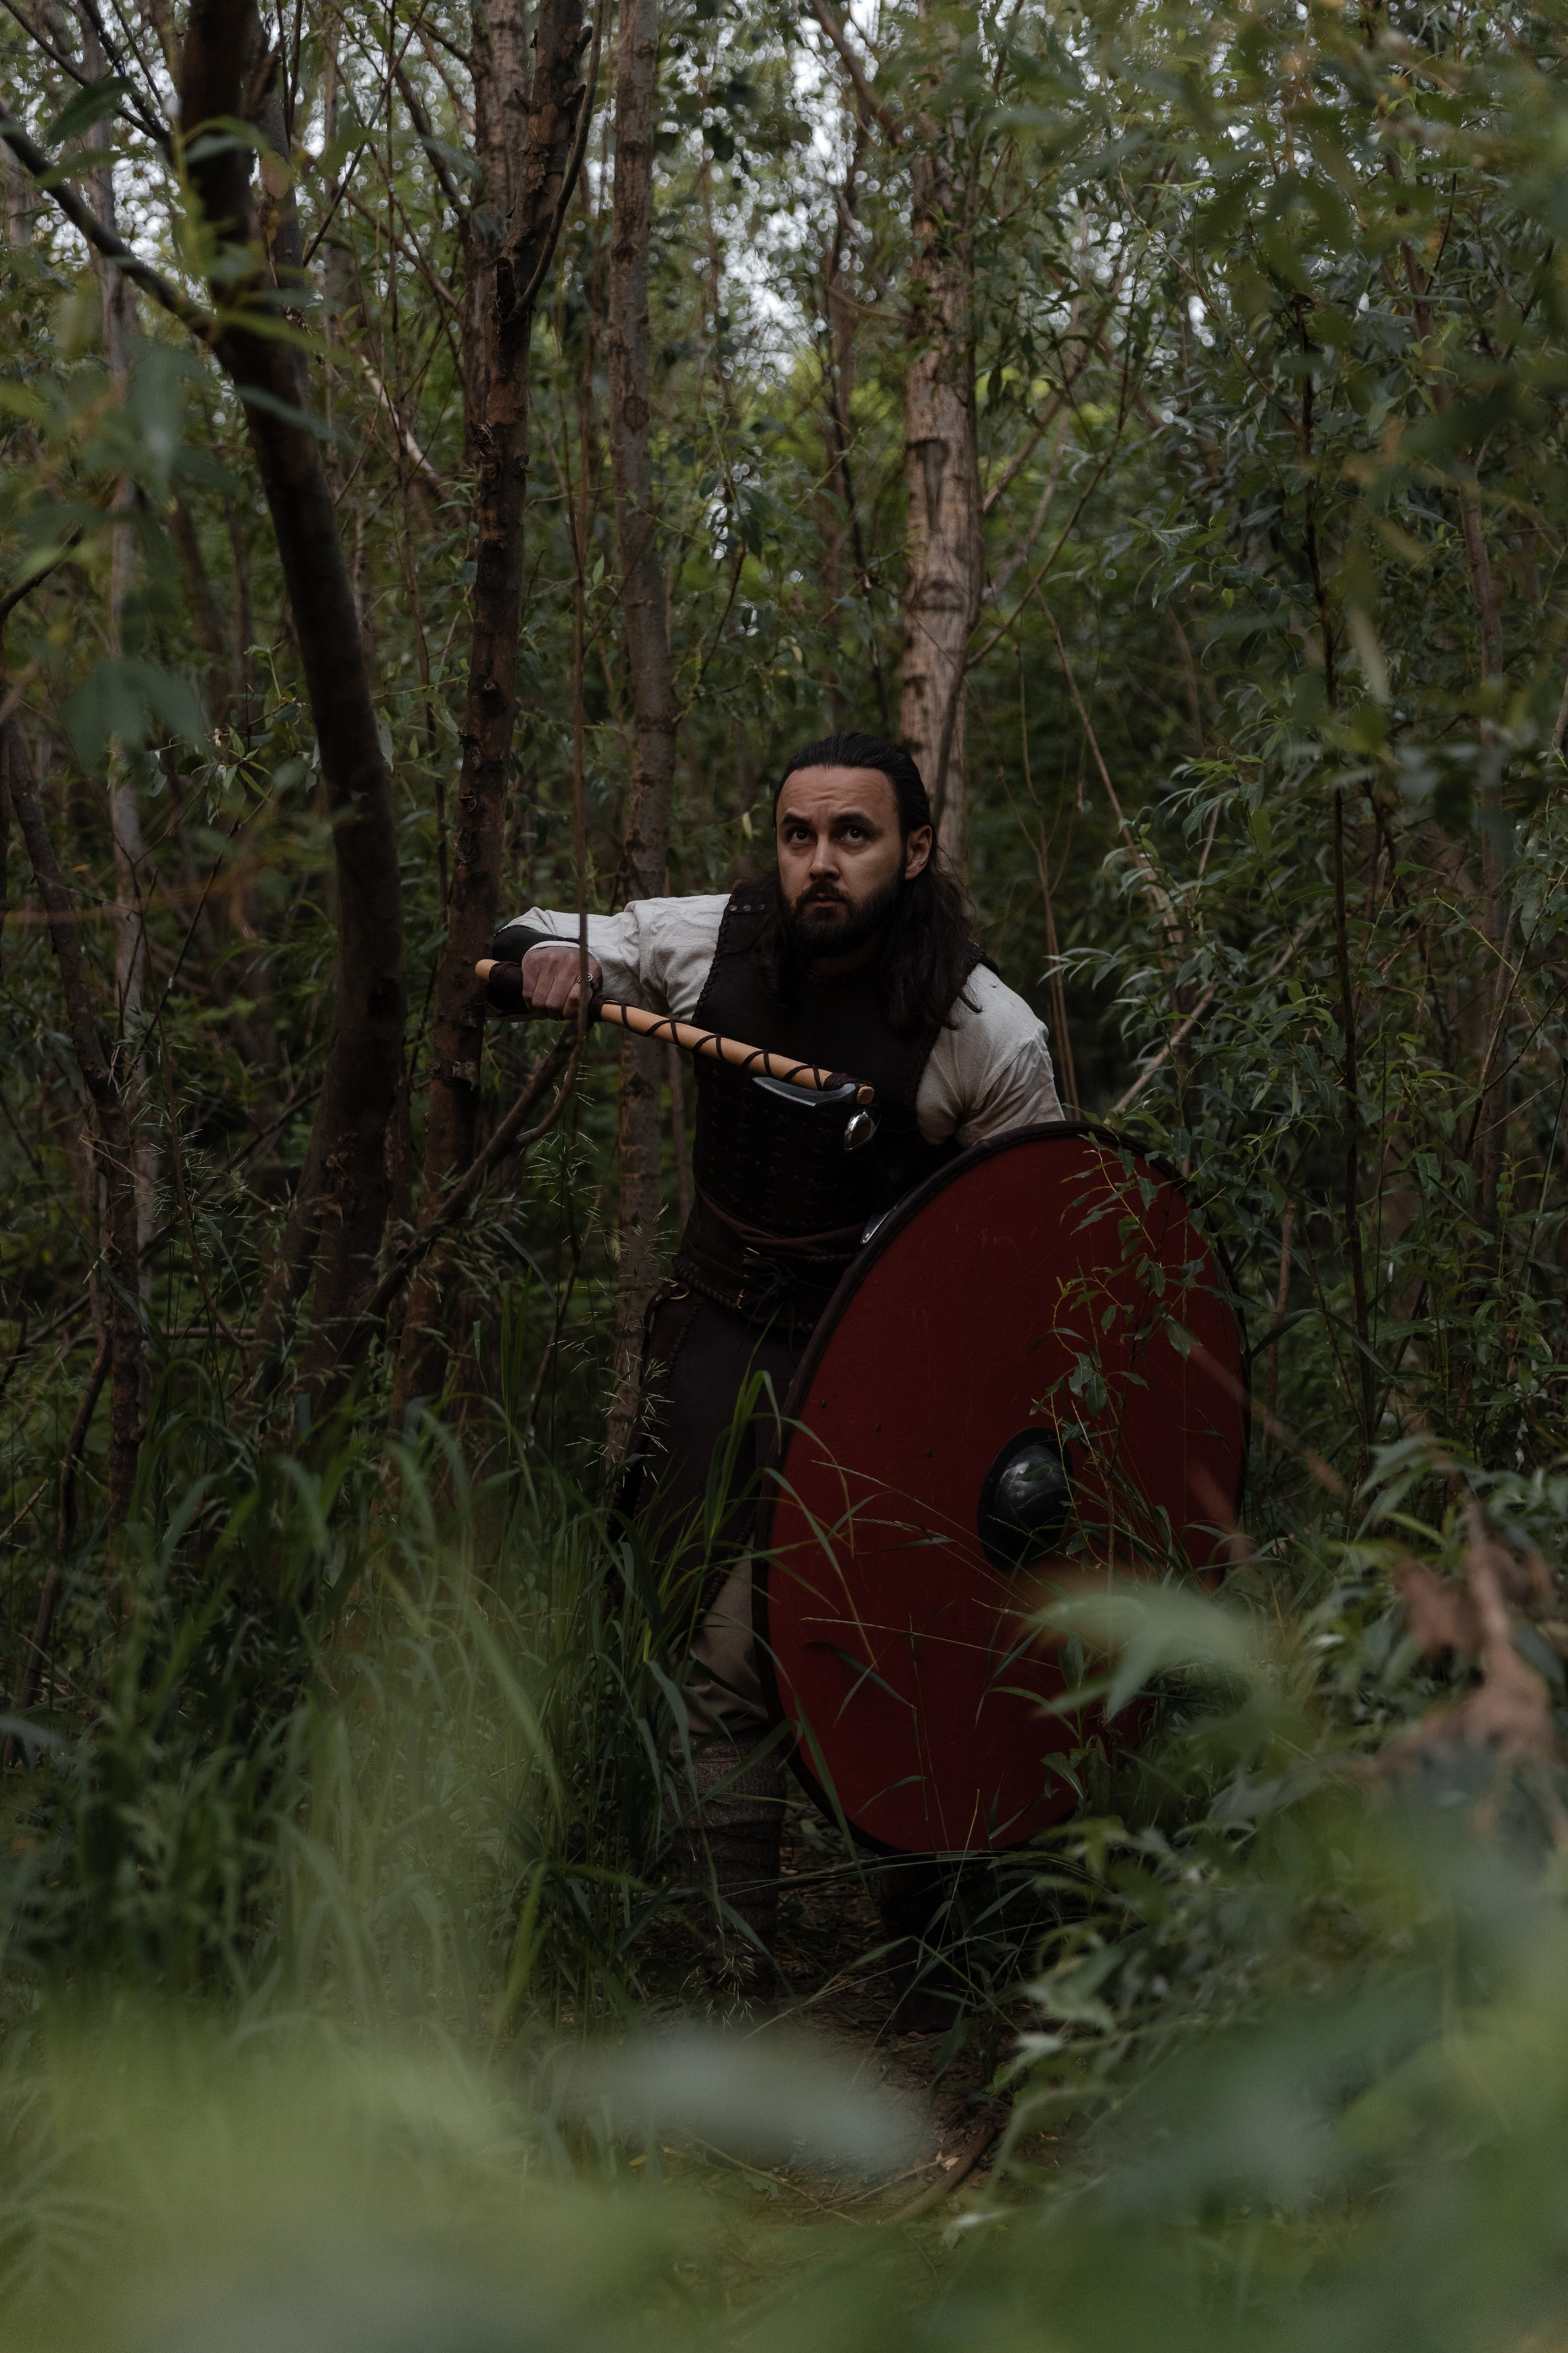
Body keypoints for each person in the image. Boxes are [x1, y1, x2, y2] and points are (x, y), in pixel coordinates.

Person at [484, 731, 1062, 2003]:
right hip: (717, 1343)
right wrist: (550, 960)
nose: (818, 862)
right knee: (703, 1647)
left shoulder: (985, 1034)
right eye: (798, 834)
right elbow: (526, 936)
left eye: (850, 836)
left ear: (913, 853)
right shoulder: (712, 942)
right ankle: (724, 1985)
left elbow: (1030, 1268)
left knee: (892, 1647)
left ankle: (934, 1968)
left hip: (885, 1376)